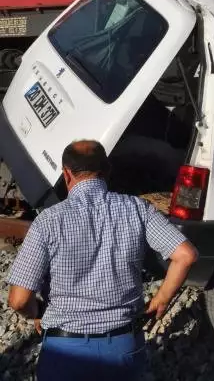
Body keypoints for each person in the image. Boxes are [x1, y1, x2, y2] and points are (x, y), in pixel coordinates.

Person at [7, 140, 198, 381]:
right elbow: (185, 255)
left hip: (65, 350)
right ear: (107, 171)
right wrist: (161, 299)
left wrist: (37, 313)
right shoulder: (137, 209)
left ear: (66, 174)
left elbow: (18, 300)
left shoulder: (48, 222)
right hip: (123, 346)